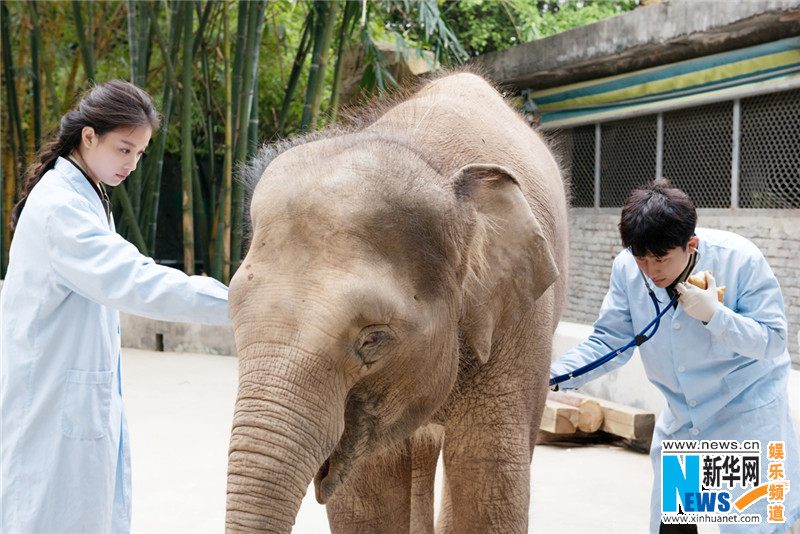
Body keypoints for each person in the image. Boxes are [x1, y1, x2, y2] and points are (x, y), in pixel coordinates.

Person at [0, 80, 231, 533]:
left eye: (140, 153)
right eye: (124, 149)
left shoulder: (86, 193)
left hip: (69, 398)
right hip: (50, 404)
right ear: (89, 137)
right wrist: (238, 302)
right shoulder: (62, 208)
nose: (132, 164)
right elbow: (136, 279)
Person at [550, 179, 799, 533]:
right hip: (684, 417)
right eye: (641, 259)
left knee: (752, 525)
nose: (651, 271)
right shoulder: (627, 269)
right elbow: (609, 342)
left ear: (690, 245)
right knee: (674, 525)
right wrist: (552, 376)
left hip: (746, 416)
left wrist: (716, 316)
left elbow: (773, 340)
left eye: (661, 259)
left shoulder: (740, 259)